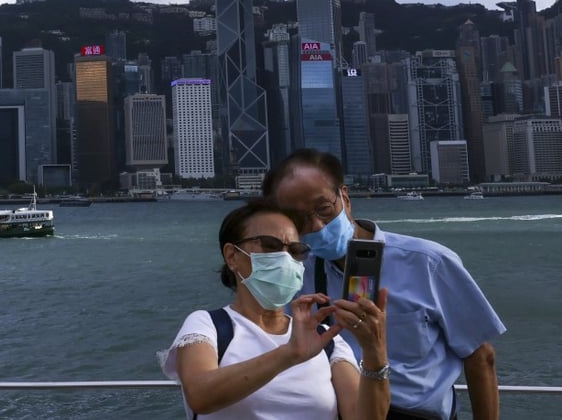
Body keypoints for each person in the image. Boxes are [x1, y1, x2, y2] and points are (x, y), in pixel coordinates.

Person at [263, 149, 506, 420]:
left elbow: (480, 356)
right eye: (299, 219)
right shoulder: (295, 275)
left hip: (414, 414)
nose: (317, 225)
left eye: (324, 209)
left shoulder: (428, 262)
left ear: (345, 197)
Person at [160, 198, 390, 419]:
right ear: (232, 256)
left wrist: (375, 352)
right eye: (270, 245)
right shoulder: (208, 325)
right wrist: (289, 354)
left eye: (296, 250)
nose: (285, 258)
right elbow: (199, 395)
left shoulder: (325, 340)